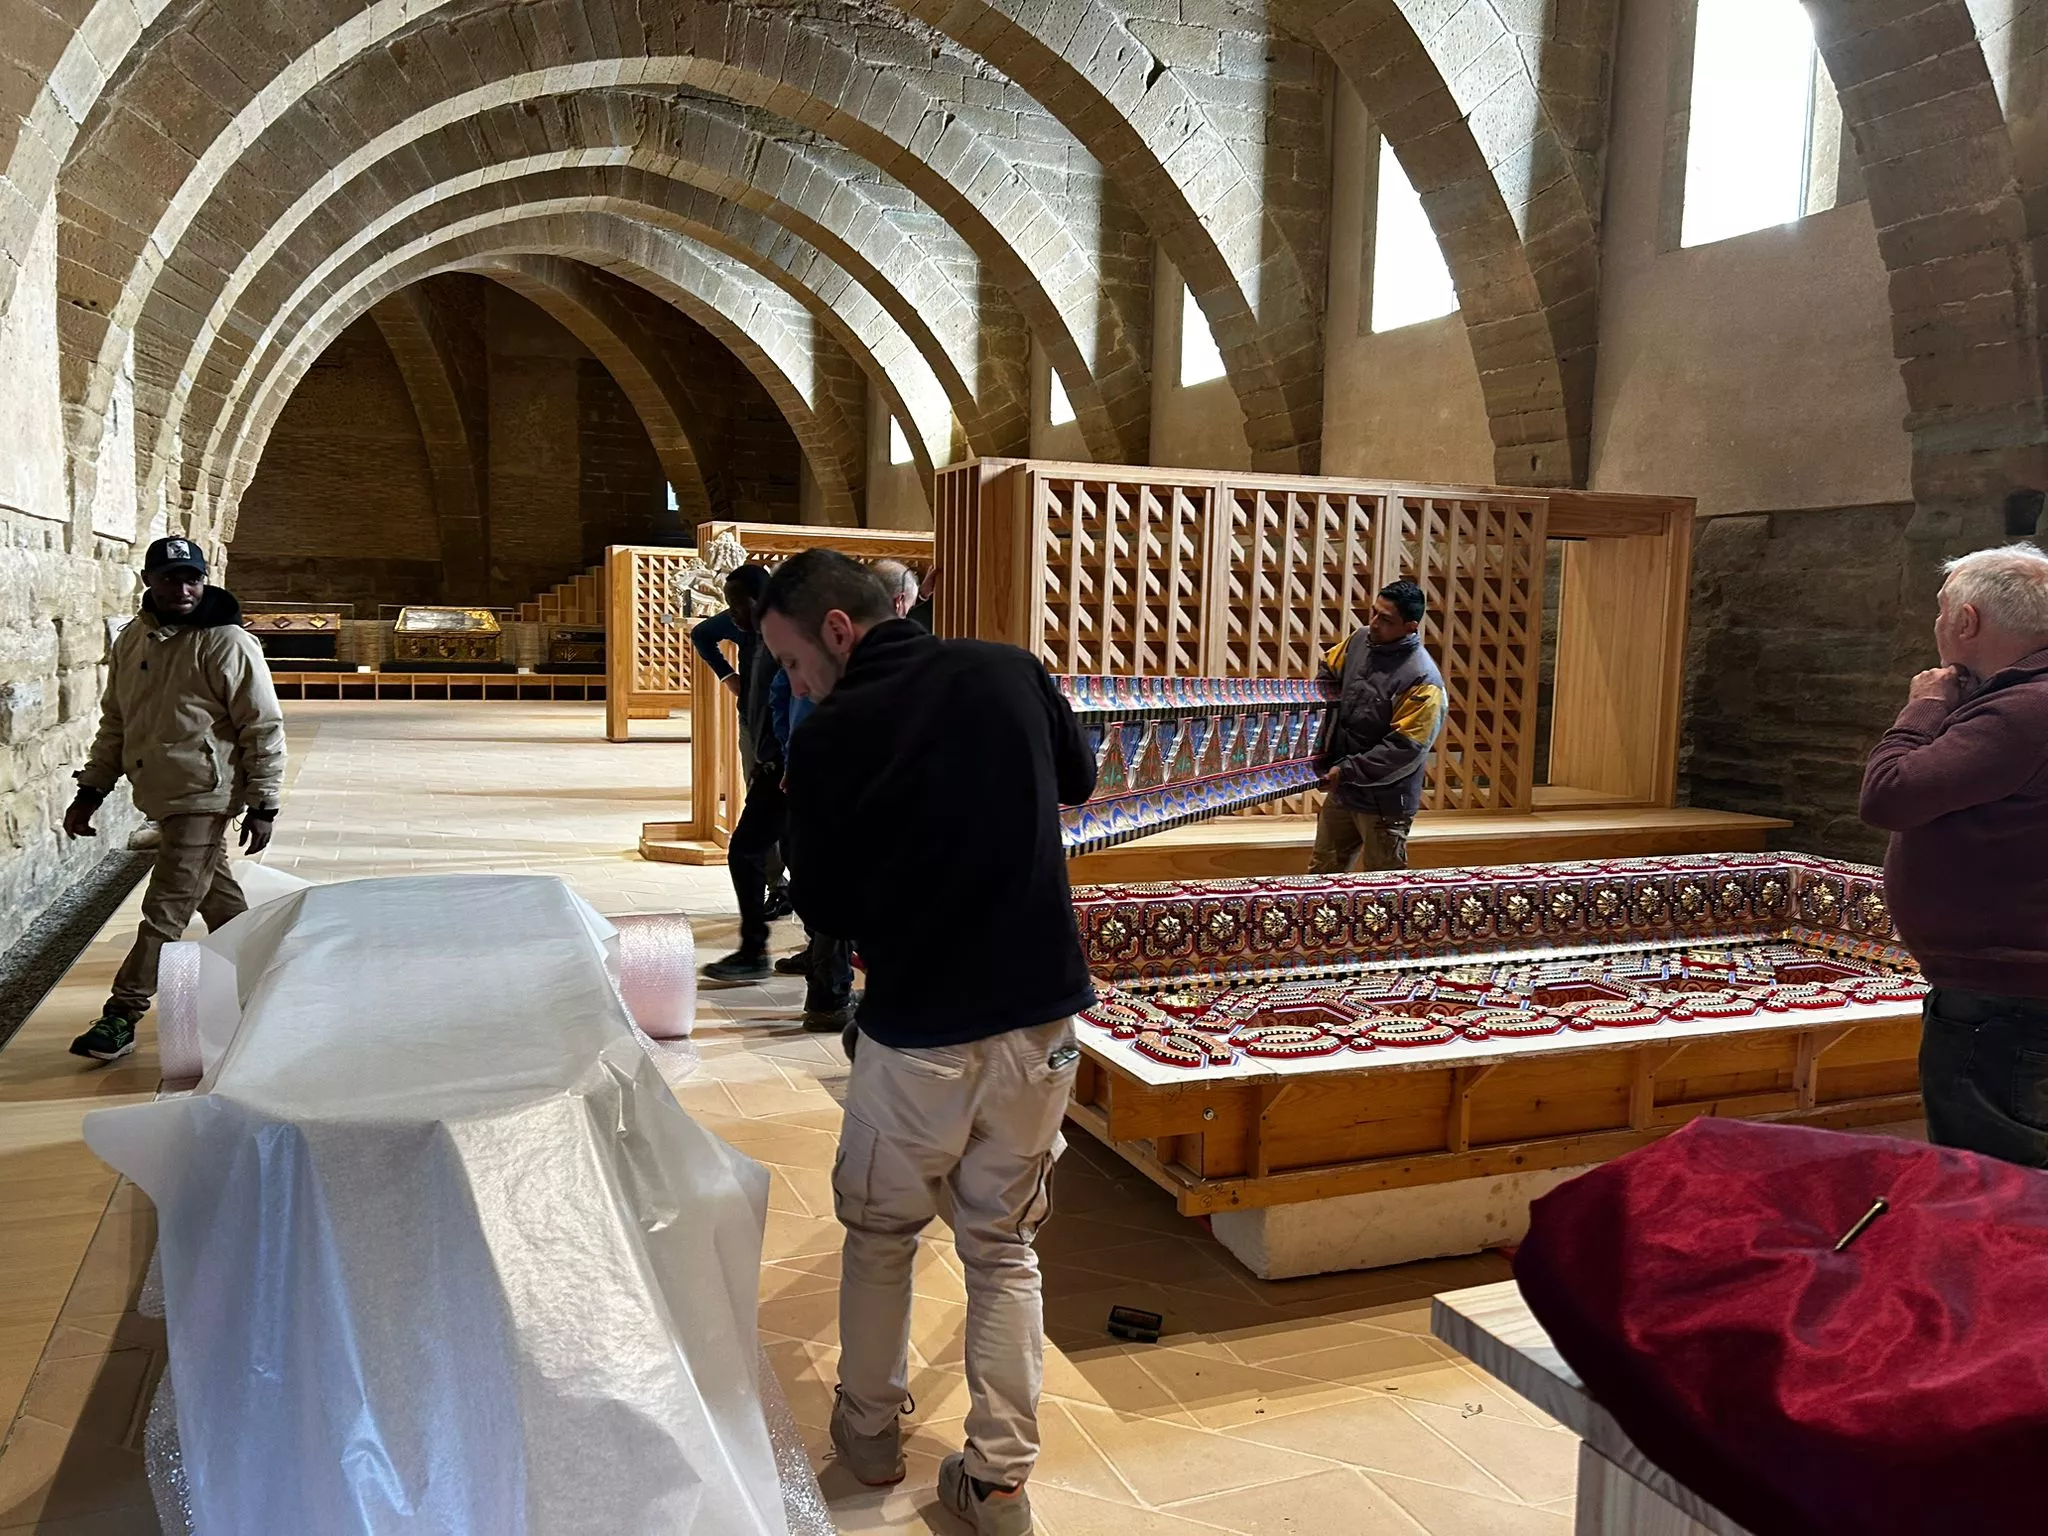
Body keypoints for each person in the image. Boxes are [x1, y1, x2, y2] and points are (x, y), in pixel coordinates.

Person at [760, 550, 1094, 1536]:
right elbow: (1075, 782)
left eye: (787, 660)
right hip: (1040, 1019)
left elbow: (821, 907)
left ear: (836, 629)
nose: (792, 683)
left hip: (918, 1036)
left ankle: (867, 1440)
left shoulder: (829, 738)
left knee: (880, 1236)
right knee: (1002, 1247)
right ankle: (998, 1484)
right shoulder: (1008, 668)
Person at [63, 536, 286, 1063]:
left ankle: (123, 1013)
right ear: (148, 581)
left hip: (206, 794)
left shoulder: (227, 642)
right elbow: (117, 723)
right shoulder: (133, 640)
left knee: (165, 908)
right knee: (220, 899)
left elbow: (263, 724)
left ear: (205, 579)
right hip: (162, 792)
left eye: (192, 577)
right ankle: (270, 983)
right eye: (169, 577)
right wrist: (91, 789)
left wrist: (264, 801)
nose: (182, 588)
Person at [1861, 542, 2048, 1166]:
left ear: (1965, 621)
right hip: (2017, 991)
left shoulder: (2024, 711)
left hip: (2007, 1002)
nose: (1937, 627)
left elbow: (1890, 795)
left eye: (1941, 612)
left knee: (1993, 1188)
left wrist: (1925, 704)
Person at [700, 565, 800, 982]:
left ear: (758, 601)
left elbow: (799, 705)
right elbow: (703, 633)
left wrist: (787, 760)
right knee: (795, 856)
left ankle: (755, 950)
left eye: (736, 605)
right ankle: (825, 956)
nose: (732, 615)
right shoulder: (757, 636)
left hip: (788, 770)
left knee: (747, 850)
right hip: (773, 765)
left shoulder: (786, 640)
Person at [1308, 578, 1446, 872]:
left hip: (1386, 802)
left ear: (1411, 626)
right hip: (1344, 790)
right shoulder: (1359, 640)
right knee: (1321, 876)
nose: (1374, 623)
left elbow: (1405, 748)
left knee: (1382, 891)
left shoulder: (1422, 678)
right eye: (1374, 612)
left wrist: (1346, 770)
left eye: (1386, 619)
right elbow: (1328, 671)